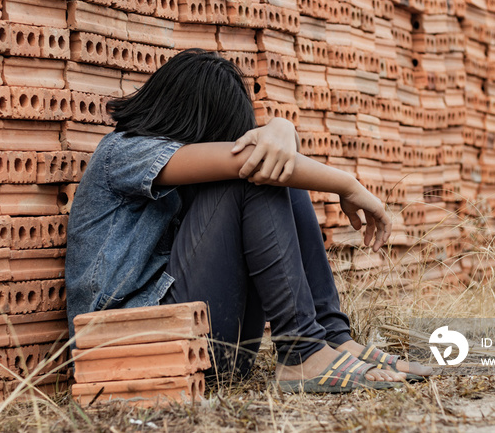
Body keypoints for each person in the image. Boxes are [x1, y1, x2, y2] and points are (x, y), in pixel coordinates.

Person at [65, 49, 431, 393]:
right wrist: (348, 184)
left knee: (282, 178)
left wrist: (283, 127)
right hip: (129, 345)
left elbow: (270, 158)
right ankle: (303, 352)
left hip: (208, 346)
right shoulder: (122, 151)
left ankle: (331, 339)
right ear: (194, 121)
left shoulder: (179, 173)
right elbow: (250, 160)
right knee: (257, 174)